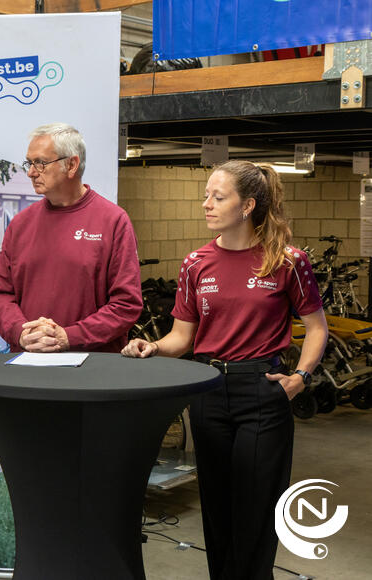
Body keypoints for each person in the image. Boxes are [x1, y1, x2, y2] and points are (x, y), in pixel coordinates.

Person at [121, 160, 328, 579]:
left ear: (248, 204)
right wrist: (152, 346)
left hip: (263, 391)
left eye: (219, 197)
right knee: (216, 505)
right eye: (206, 195)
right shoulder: (196, 263)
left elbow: (317, 327)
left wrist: (300, 378)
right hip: (209, 391)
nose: (207, 205)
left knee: (255, 505)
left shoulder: (287, 261)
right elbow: (183, 338)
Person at [0, 122, 142, 353]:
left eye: (40, 163)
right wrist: (22, 333)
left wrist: (69, 337)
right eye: (29, 163)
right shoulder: (20, 225)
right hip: (28, 367)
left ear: (71, 164)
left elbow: (126, 305)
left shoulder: (113, 221)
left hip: (90, 372)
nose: (30, 172)